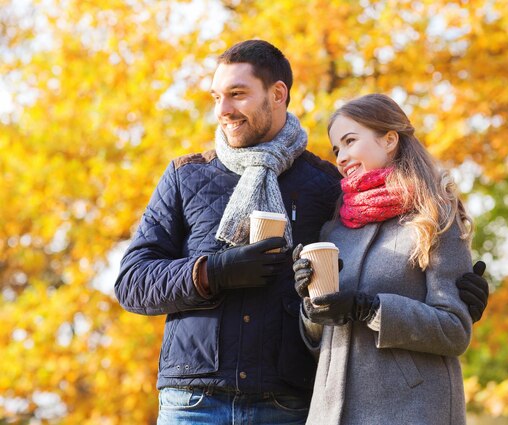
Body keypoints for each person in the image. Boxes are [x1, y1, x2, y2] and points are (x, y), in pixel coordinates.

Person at [114, 40, 488, 425]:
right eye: (217, 97)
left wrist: (459, 293)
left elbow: (381, 258)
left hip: (287, 405)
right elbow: (131, 282)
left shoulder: (327, 186)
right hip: (193, 401)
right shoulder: (186, 175)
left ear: (278, 94)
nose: (223, 110)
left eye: (237, 95)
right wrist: (214, 271)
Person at [292, 93, 480, 425]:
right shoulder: (334, 229)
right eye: (337, 149)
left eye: (350, 141)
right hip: (330, 412)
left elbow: (454, 330)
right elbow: (321, 343)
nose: (342, 157)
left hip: (412, 410)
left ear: (389, 139)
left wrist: (372, 308)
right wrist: (311, 308)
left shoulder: (435, 217)